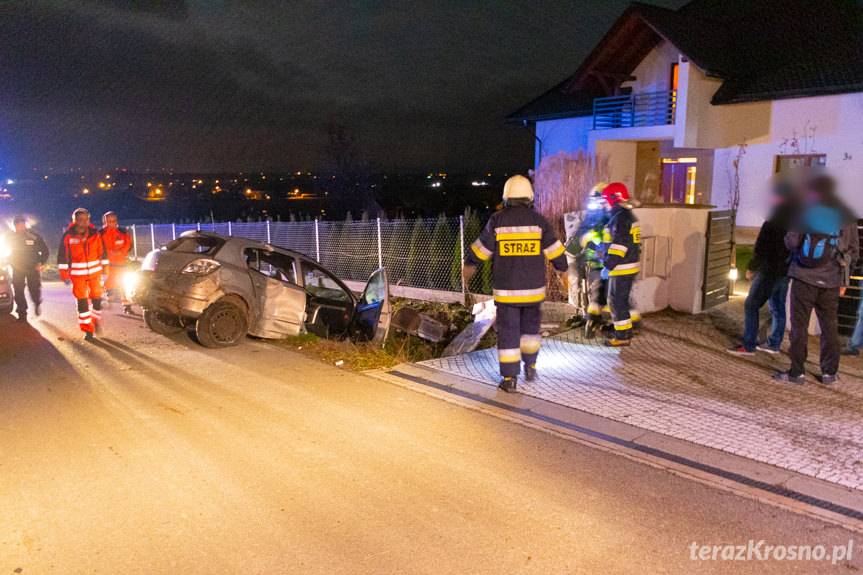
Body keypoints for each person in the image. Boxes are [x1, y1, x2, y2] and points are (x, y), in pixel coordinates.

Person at [464, 175, 568, 393]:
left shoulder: (497, 220)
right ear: (529, 197)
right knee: (531, 331)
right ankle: (530, 365)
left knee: (509, 334)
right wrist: (563, 271)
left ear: (506, 197)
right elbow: (556, 251)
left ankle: (510, 379)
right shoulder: (539, 221)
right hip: (533, 291)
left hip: (507, 292)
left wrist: (469, 265)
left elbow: (482, 248)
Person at [775, 175, 859, 385]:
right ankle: (829, 373)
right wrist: (844, 282)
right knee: (829, 326)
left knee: (799, 326)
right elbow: (853, 252)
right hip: (831, 282)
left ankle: (797, 373)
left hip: (803, 277)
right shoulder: (846, 216)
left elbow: (792, 242)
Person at [727, 180, 796, 356]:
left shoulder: (774, 218)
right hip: (785, 270)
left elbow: (762, 245)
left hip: (769, 269)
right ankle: (774, 344)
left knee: (751, 304)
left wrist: (752, 267)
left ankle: (748, 345)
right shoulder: (796, 218)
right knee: (778, 306)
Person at [597, 182, 641, 347]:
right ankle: (625, 332)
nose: (604, 204)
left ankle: (622, 337)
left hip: (621, 267)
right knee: (620, 301)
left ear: (613, 199)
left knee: (616, 301)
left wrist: (608, 265)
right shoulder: (627, 215)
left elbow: (619, 246)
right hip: (627, 266)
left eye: (605, 200)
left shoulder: (620, 218)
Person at [566, 183, 610, 337]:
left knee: (600, 293)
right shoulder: (592, 217)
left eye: (599, 201)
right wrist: (572, 250)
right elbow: (579, 237)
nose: (596, 205)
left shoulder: (611, 219)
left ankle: (595, 319)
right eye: (594, 200)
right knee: (592, 292)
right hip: (592, 263)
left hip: (605, 265)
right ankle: (591, 317)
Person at [58, 208, 109, 340]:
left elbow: (102, 253)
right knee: (82, 302)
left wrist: (105, 271)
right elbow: (62, 257)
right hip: (77, 275)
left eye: (86, 219)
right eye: (80, 220)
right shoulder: (68, 236)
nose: (83, 222)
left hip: (95, 273)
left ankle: (95, 320)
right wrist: (64, 276)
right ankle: (87, 330)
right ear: (74, 221)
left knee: (97, 299)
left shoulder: (95, 234)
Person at [5, 215, 49, 322]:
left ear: (25, 225)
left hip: (32, 268)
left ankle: (37, 302)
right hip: (17, 268)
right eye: (18, 225)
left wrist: (41, 262)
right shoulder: (10, 237)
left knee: (34, 289)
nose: (20, 227)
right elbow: (5, 251)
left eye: (22, 224)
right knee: (18, 290)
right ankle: (22, 313)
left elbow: (45, 251)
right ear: (14, 226)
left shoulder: (33, 236)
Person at [99, 211, 134, 313]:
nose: (111, 223)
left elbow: (129, 244)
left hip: (121, 263)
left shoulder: (123, 232)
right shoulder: (100, 234)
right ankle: (102, 300)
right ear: (104, 222)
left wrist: (121, 252)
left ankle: (127, 306)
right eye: (109, 221)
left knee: (124, 284)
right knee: (109, 286)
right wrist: (110, 253)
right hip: (107, 265)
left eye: (113, 221)